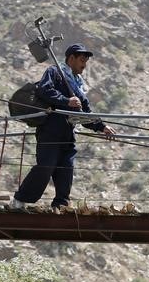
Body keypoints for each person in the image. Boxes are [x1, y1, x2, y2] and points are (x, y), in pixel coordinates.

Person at [10, 43, 116, 211]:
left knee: (66, 169)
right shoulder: (55, 72)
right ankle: (20, 200)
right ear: (71, 58)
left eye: (86, 61)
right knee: (46, 166)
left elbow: (85, 114)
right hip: (50, 131)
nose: (84, 65)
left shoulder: (79, 86)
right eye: (82, 60)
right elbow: (44, 90)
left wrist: (102, 127)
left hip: (68, 135)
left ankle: (60, 205)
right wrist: (66, 101)